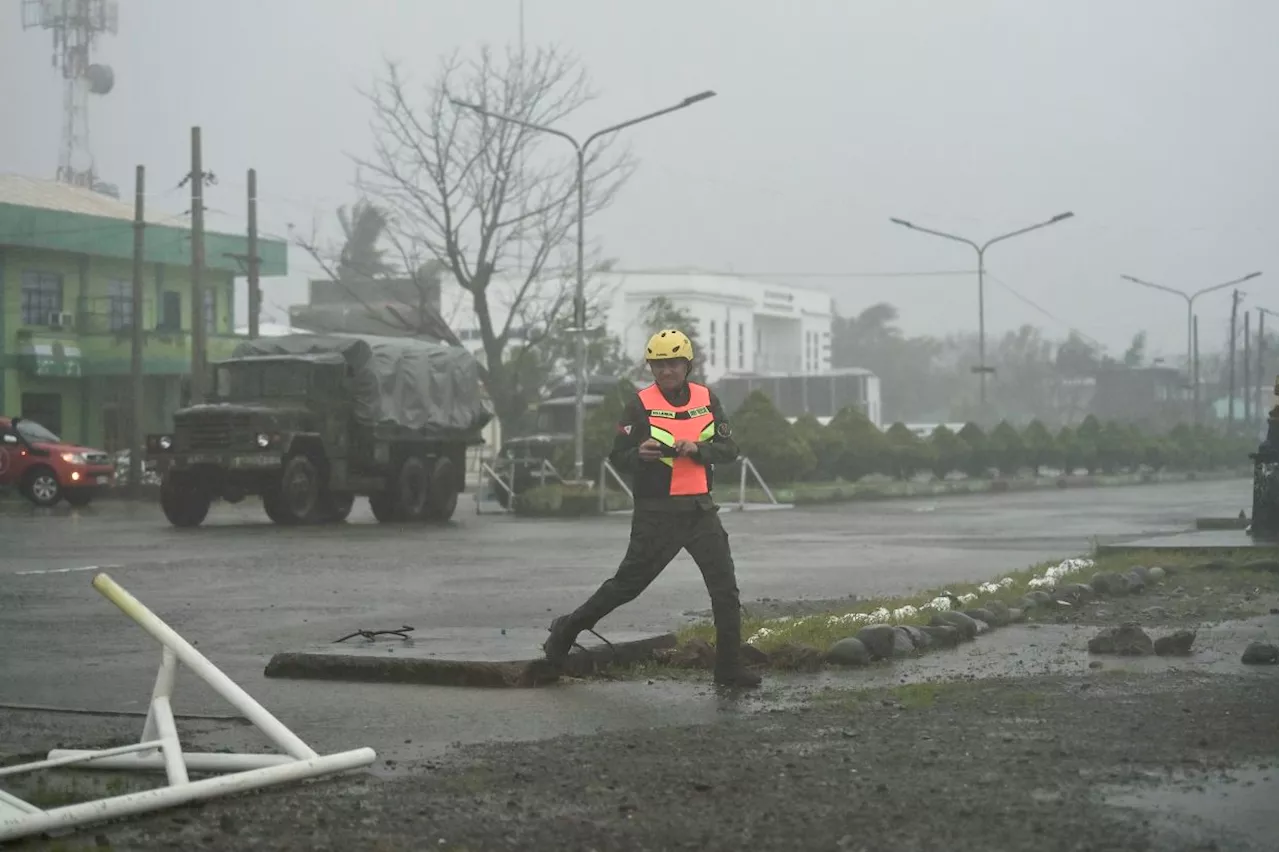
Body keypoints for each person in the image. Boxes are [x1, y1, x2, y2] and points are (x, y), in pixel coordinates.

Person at [542, 328, 762, 688]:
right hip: (657, 513)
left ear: (687, 365)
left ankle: (728, 669)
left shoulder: (707, 399)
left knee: (725, 589)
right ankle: (565, 630)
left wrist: (699, 450)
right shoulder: (639, 403)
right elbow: (618, 454)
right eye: (658, 365)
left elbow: (729, 449)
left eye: (672, 364)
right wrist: (638, 455)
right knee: (627, 586)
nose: (665, 371)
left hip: (700, 511)